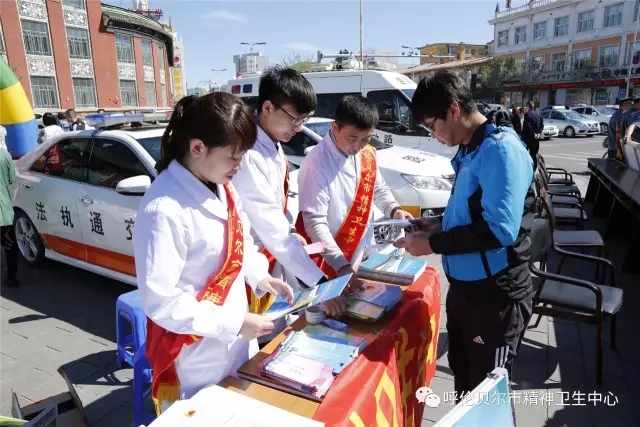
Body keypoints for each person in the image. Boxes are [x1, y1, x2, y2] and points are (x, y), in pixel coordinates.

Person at [133, 93, 294, 414]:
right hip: (197, 352)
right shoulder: (163, 210)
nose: (240, 166)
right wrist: (233, 323)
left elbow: (240, 242)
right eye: (234, 157)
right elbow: (161, 301)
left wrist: (259, 275)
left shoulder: (222, 184)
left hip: (236, 337)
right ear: (197, 148)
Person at [396, 71, 534, 406]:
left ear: (454, 109)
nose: (434, 135)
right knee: (464, 383)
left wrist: (431, 245)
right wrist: (438, 224)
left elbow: (500, 230)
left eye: (432, 125)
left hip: (495, 299)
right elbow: (472, 212)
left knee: (487, 398)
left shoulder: (500, 150)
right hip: (465, 294)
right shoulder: (471, 148)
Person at [296, 94, 413, 317]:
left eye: (366, 139)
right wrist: (340, 265)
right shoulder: (316, 163)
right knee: (327, 320)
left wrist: (394, 210)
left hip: (355, 256)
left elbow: (378, 189)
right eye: (352, 138)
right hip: (325, 262)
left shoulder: (366, 154)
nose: (358, 146)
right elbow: (314, 222)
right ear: (335, 127)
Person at [232, 67, 326, 334]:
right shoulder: (248, 152)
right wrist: (318, 282)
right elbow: (269, 224)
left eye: (303, 120)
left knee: (273, 331)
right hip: (252, 259)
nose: (298, 128)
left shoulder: (272, 144)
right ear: (268, 107)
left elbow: (276, 207)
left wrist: (292, 229)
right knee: (256, 342)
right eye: (294, 119)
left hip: (272, 254)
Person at [0, 126, 19, 287]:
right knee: (9, 243)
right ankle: (11, 277)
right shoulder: (5, 155)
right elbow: (11, 179)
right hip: (3, 209)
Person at [522, 101, 543, 170]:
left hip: (528, 138)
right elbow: (542, 125)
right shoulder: (538, 114)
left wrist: (533, 134)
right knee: (534, 154)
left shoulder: (527, 115)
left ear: (528, 106)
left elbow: (527, 126)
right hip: (536, 138)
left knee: (525, 154)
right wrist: (539, 133)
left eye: (526, 107)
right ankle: (534, 169)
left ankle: (527, 169)